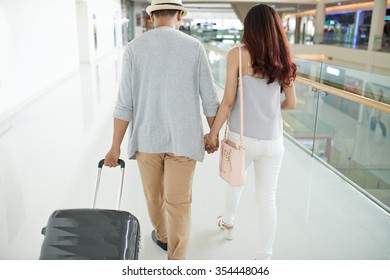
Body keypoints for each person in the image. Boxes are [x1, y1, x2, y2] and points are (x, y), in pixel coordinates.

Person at [104, 0, 219, 260]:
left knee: (154, 199)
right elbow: (210, 100)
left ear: (152, 16)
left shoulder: (133, 49)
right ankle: (176, 261)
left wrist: (114, 147)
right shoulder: (194, 48)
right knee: (179, 205)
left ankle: (163, 236)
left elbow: (124, 104)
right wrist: (213, 135)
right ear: (179, 15)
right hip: (185, 141)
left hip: (147, 138)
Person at [204, 4, 297, 260]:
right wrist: (270, 109)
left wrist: (212, 134)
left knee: (235, 182)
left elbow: (228, 102)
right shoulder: (284, 60)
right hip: (272, 143)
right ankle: (263, 257)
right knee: (267, 200)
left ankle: (229, 222)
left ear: (250, 29)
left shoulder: (238, 54)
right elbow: (291, 103)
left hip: (240, 137)